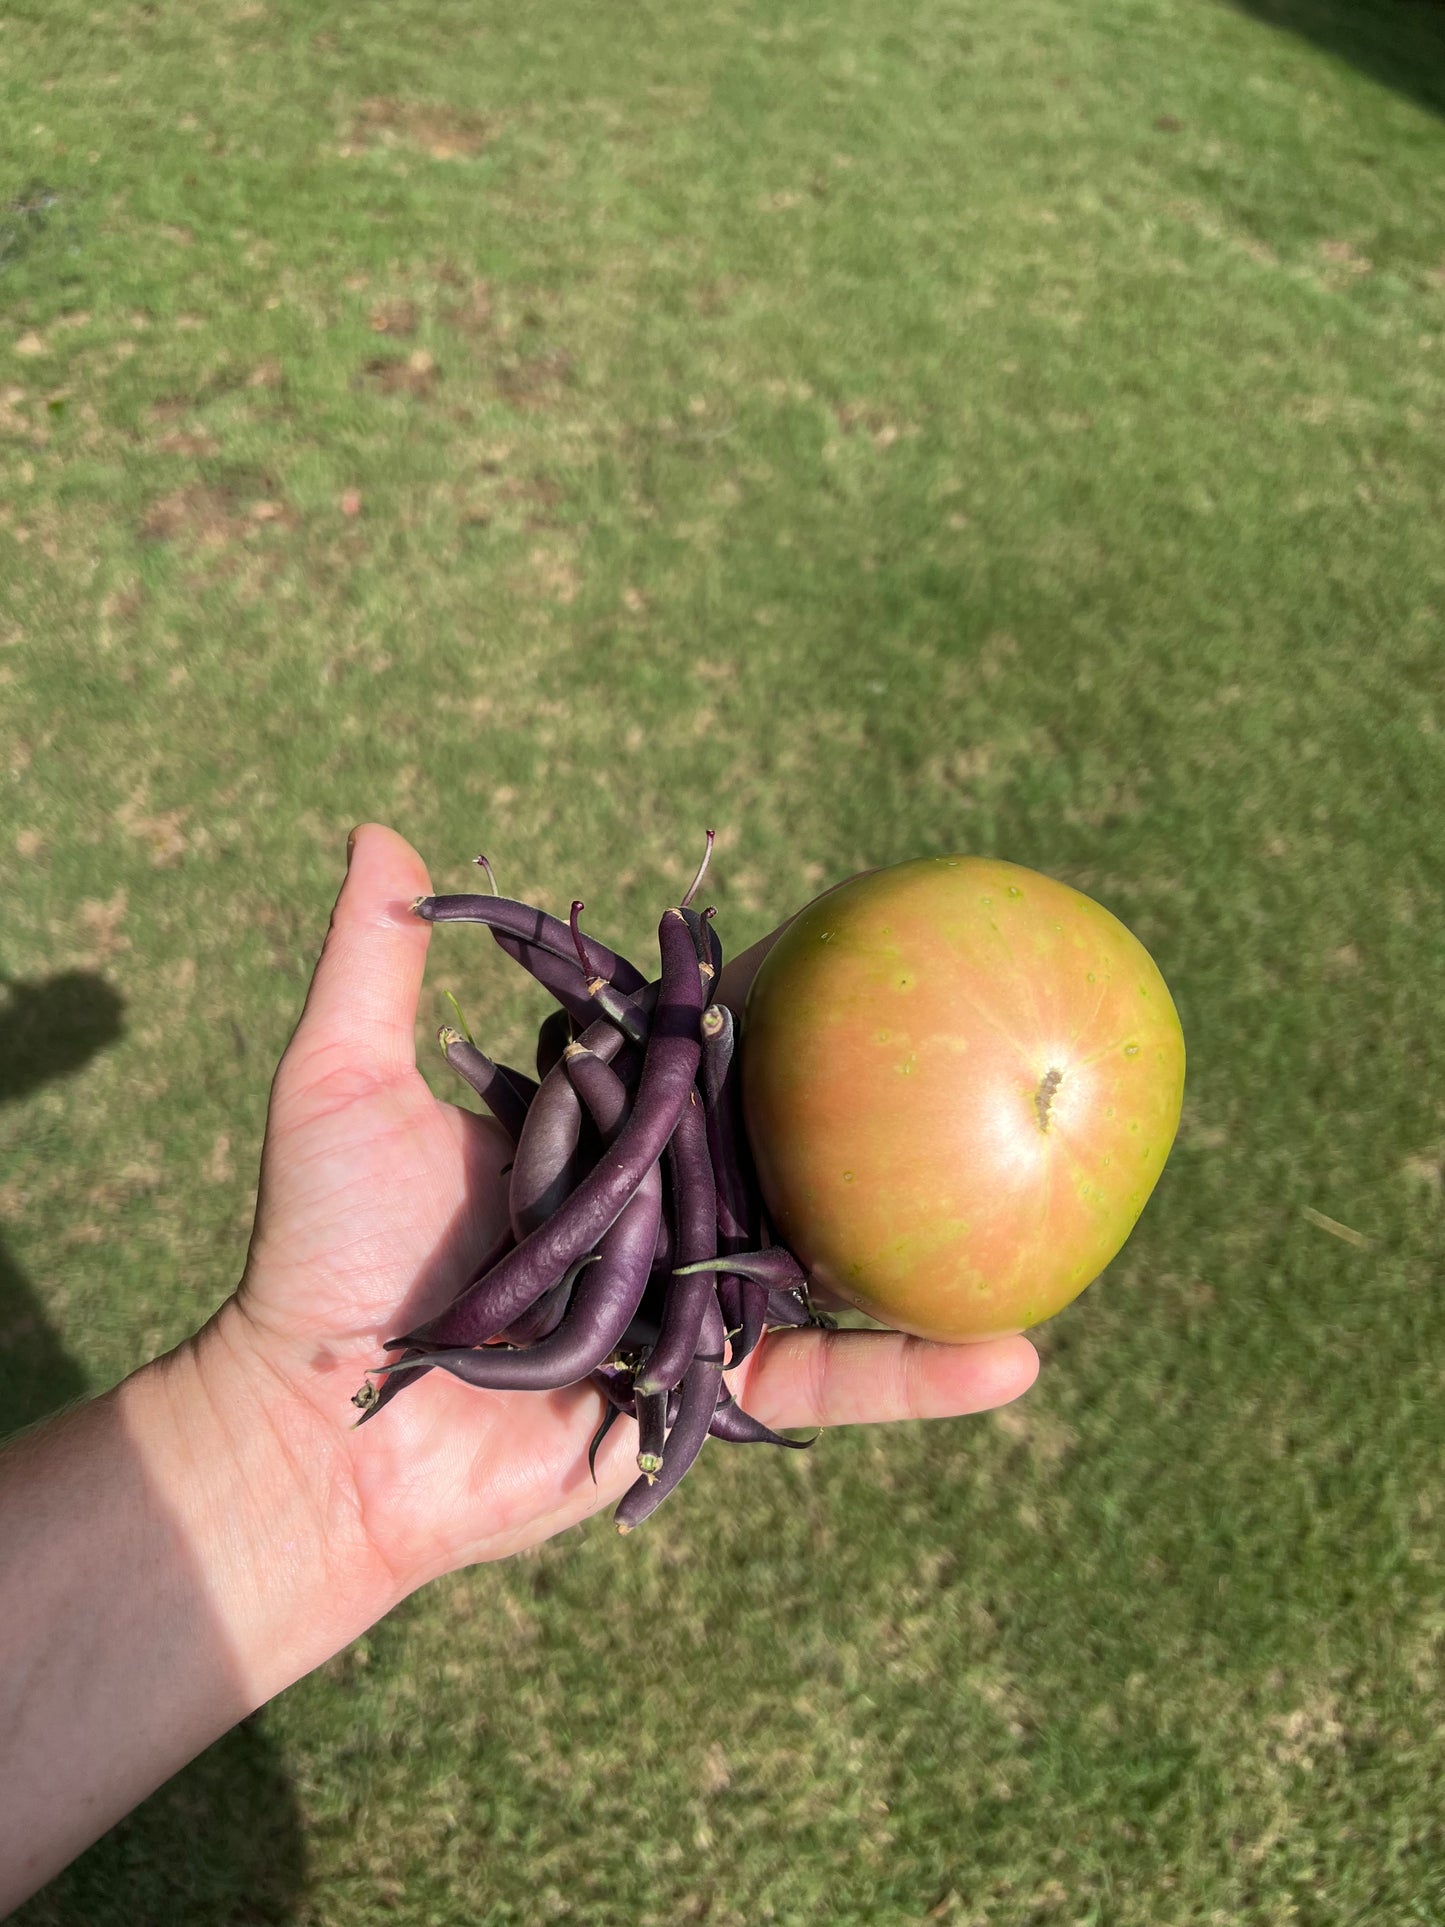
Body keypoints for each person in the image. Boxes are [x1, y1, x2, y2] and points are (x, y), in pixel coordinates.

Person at [0, 825, 1040, 1912]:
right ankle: (434, 1354)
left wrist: (291, 1444)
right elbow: (638, 1132)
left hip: (659, 1228)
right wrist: (289, 1438)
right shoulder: (662, 1100)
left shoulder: (659, 1079)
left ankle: (439, 1352)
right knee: (628, 1159)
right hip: (648, 1240)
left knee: (635, 1143)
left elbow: (647, 1117)